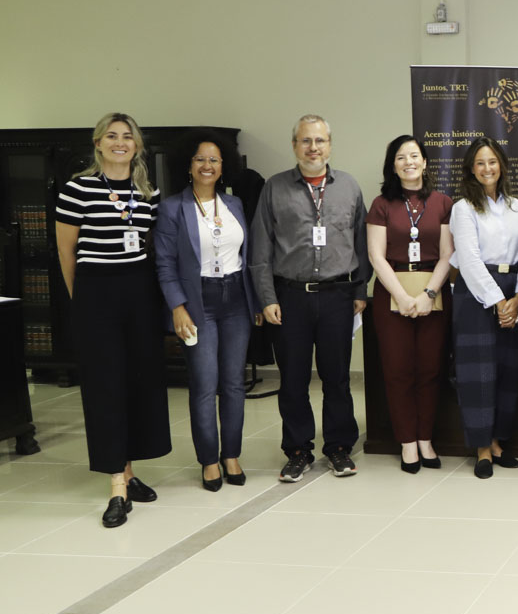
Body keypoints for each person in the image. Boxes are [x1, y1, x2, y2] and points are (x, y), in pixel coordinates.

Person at [54, 112, 170, 527]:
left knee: (138, 382)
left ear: (137, 146)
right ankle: (116, 486)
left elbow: (150, 245)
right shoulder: (77, 188)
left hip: (138, 290)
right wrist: (81, 299)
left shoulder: (146, 191)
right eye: (112, 136)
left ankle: (130, 470)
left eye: (128, 137)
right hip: (96, 291)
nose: (120, 142)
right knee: (105, 387)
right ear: (99, 143)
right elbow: (67, 252)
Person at [249, 114, 370, 483]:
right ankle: (298, 449)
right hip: (290, 297)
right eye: (305, 141)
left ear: (330, 145)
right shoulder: (274, 188)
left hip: (338, 296)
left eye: (319, 141)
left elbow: (362, 243)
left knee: (336, 378)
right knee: (294, 379)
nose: (313, 148)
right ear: (295, 146)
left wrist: (360, 290)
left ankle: (338, 447)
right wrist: (267, 297)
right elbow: (260, 247)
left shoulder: (348, 187)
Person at [155, 131, 258, 492]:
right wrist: (178, 307)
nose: (207, 165)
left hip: (236, 302)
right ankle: (209, 460)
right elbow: (165, 264)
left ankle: (231, 454)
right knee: (204, 383)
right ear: (188, 164)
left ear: (222, 166)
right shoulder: (171, 208)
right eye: (201, 159)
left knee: (233, 384)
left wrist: (255, 302)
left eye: (214, 160)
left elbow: (247, 259)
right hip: (198, 303)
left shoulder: (234, 205)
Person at [366, 135, 453, 473]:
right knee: (398, 371)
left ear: (425, 161)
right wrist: (401, 296)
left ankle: (425, 439)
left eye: (414, 156)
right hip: (392, 293)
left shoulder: (443, 202)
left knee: (430, 371)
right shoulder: (381, 204)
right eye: (401, 157)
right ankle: (407, 443)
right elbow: (376, 255)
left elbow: (447, 254)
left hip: (433, 291)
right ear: (393, 165)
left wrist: (428, 294)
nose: (408, 162)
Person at [450, 138, 518, 479]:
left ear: (502, 165)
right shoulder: (464, 208)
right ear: (470, 168)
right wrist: (498, 301)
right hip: (476, 294)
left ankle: (497, 442)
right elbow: (467, 260)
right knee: (478, 374)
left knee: (508, 371)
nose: (487, 169)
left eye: (492, 162)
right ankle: (481, 448)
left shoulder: (516, 207)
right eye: (480, 163)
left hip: (513, 292)